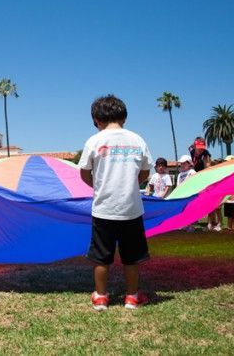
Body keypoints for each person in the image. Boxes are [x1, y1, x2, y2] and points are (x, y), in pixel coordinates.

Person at [79, 94, 153, 310]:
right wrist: (130, 184)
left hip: (103, 209)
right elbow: (145, 172)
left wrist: (99, 185)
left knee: (101, 257)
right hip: (132, 209)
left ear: (97, 120)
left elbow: (84, 173)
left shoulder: (95, 140)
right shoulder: (137, 140)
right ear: (124, 117)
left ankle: (100, 296)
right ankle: (132, 297)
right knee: (131, 257)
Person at [222, 155, 234, 233]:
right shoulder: (226, 173)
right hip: (227, 199)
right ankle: (229, 228)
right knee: (229, 215)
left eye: (228, 162)